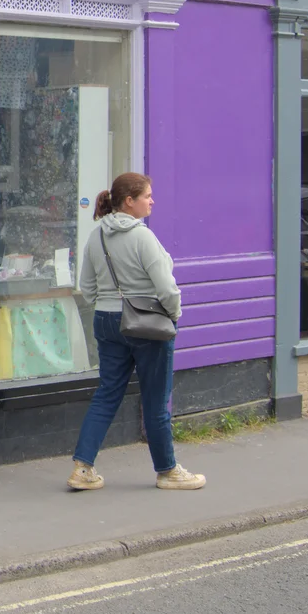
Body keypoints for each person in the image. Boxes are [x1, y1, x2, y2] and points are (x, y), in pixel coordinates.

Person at [67, 172, 205, 492]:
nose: (152, 201)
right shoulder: (143, 237)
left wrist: (108, 303)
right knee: (155, 401)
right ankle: (168, 471)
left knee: (106, 394)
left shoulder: (96, 236)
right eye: (147, 196)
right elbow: (166, 287)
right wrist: (174, 315)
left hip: (105, 320)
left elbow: (86, 287)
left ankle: (83, 469)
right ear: (129, 201)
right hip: (145, 323)